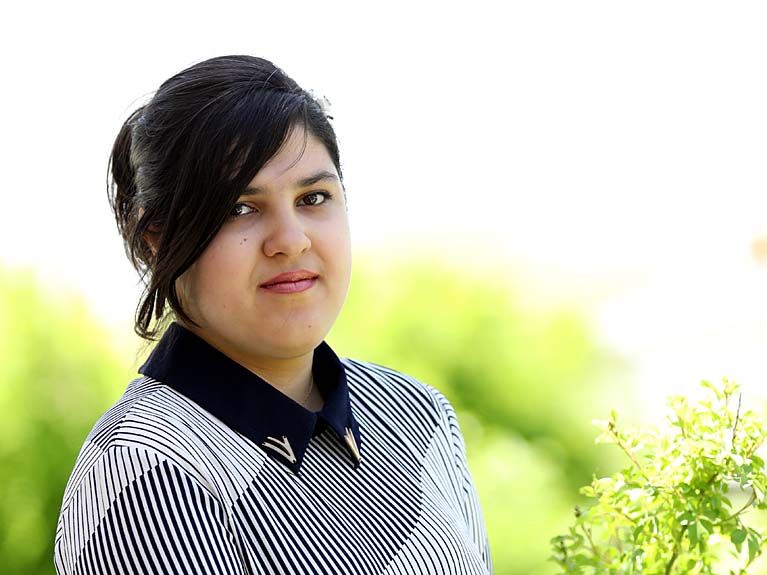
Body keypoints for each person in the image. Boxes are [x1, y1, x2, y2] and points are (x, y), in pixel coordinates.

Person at [53, 55, 493, 575]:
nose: (290, 240)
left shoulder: (419, 415)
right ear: (157, 238)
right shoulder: (150, 480)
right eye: (239, 208)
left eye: (313, 197)